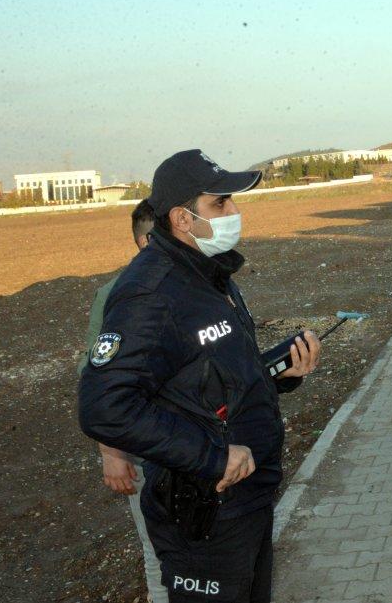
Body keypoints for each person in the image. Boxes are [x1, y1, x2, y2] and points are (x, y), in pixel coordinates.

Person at [78, 149, 322, 603]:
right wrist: (212, 457)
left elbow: (212, 377)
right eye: (220, 203)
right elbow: (104, 407)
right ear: (182, 218)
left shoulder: (210, 276)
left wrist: (282, 371)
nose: (234, 211)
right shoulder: (151, 292)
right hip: (204, 510)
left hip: (246, 498)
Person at [76, 199, 166, 602]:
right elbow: (98, 381)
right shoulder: (115, 296)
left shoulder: (198, 283)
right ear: (147, 241)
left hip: (201, 446)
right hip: (147, 453)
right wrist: (111, 454)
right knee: (158, 553)